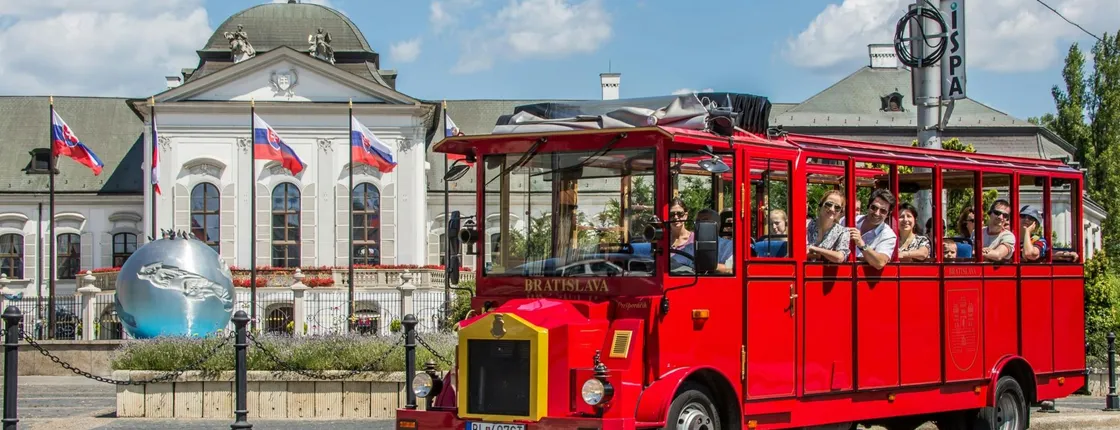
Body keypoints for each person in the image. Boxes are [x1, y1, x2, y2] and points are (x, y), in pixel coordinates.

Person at [667, 199, 733, 273]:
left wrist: (710, 265)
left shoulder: (729, 246)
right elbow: (673, 263)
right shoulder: (690, 246)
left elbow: (732, 268)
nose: (700, 224)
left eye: (705, 220)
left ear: (717, 225)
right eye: (698, 221)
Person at [849, 188, 897, 269]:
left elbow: (880, 263)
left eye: (883, 211)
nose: (877, 213)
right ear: (868, 206)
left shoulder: (888, 235)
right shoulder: (850, 221)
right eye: (874, 207)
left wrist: (862, 245)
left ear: (888, 215)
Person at [806, 189, 849, 263]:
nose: (832, 209)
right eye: (828, 204)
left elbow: (840, 257)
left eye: (837, 207)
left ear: (840, 212)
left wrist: (814, 249)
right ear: (820, 205)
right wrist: (826, 254)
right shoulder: (806, 225)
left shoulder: (843, 232)